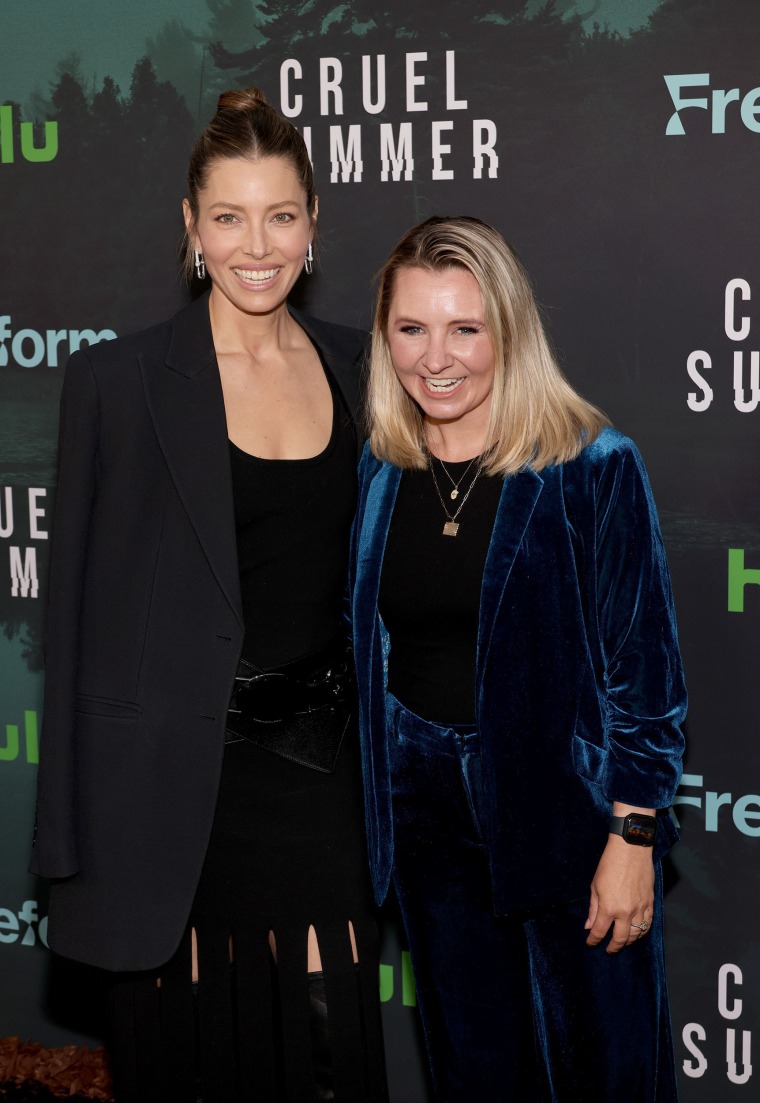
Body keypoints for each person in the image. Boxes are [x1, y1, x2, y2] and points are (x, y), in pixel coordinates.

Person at [31, 88, 388, 1103]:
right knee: (197, 1065)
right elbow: (72, 617)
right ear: (190, 227)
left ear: (314, 222)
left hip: (321, 789)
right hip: (169, 799)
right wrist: (63, 838)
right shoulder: (119, 381)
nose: (256, 245)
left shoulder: (360, 370)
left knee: (330, 1057)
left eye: (279, 214)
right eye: (228, 216)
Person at [349, 215, 686, 1101]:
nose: (437, 357)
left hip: (567, 816)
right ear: (385, 337)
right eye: (412, 329)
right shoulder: (382, 470)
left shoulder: (591, 464)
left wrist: (633, 834)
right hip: (428, 825)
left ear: (509, 329)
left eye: (465, 327)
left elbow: (645, 676)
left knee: (605, 1071)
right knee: (475, 1073)